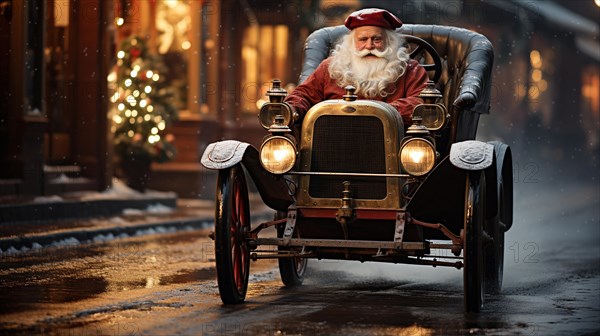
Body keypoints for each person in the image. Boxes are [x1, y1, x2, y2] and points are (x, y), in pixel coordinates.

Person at [284, 8, 429, 126]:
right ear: (351, 43)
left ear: (390, 42)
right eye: (362, 39)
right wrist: (290, 109)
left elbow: (422, 102)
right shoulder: (330, 67)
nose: (369, 46)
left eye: (377, 39)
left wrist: (379, 112)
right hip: (332, 142)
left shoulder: (410, 70)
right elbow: (303, 95)